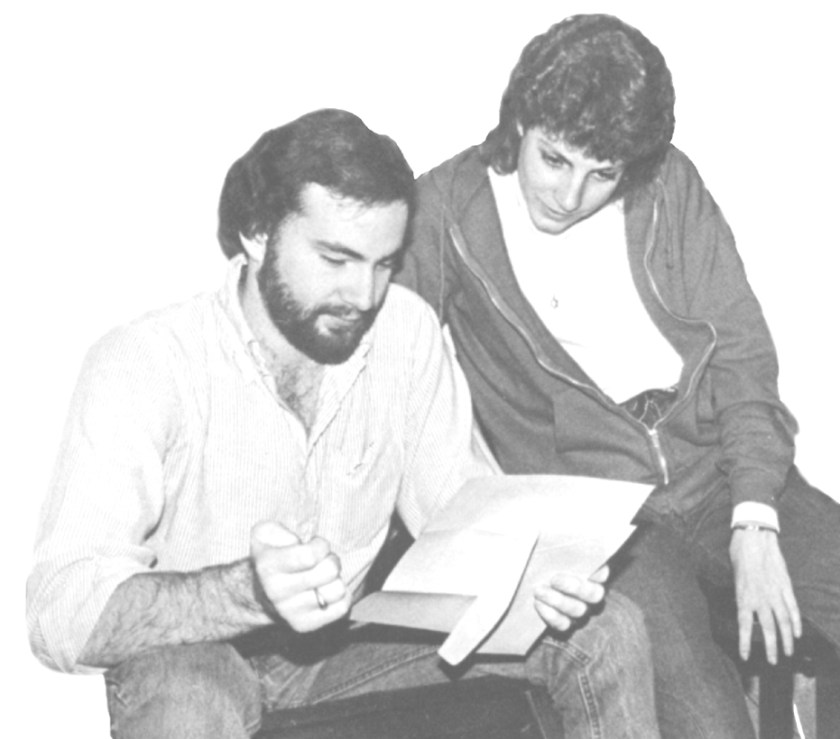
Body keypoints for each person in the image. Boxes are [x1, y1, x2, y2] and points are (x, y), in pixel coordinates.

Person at [26, 108, 660, 738]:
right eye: (336, 260)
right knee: (189, 701)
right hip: (195, 653)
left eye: (383, 264)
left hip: (344, 652)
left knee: (605, 630)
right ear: (257, 233)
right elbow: (60, 613)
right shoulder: (144, 361)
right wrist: (246, 592)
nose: (364, 296)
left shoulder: (405, 331)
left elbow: (460, 524)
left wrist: (535, 579)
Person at [396, 13, 840, 739]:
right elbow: (379, 353)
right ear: (519, 120)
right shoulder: (447, 210)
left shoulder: (667, 183)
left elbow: (741, 351)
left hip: (718, 469)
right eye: (554, 159)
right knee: (711, 724)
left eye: (602, 174)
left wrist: (756, 517)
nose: (570, 195)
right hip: (604, 518)